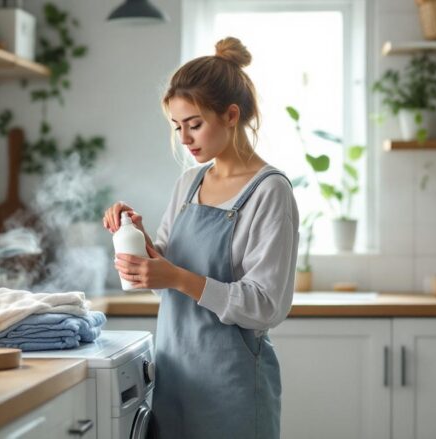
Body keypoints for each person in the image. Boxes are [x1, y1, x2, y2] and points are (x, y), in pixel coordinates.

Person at [102, 37, 299, 439]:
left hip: (233, 388)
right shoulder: (189, 183)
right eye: (177, 127)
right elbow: (166, 284)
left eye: (194, 125)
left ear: (231, 115)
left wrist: (175, 276)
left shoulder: (269, 191)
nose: (185, 139)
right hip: (175, 376)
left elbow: (266, 305)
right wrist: (137, 238)